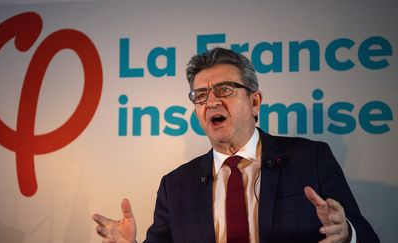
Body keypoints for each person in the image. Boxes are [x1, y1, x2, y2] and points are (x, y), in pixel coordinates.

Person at [92, 47, 379, 243]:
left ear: (254, 102)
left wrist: (347, 234)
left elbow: (366, 236)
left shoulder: (310, 158)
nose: (212, 101)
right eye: (200, 95)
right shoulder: (175, 185)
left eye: (224, 90)